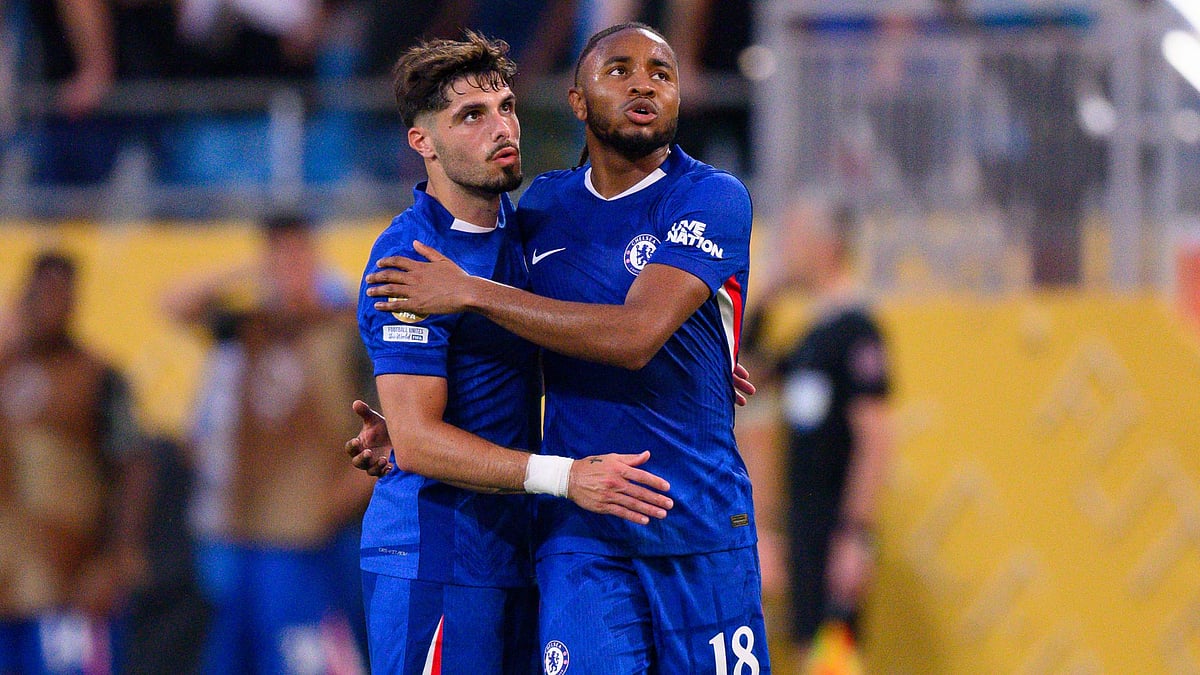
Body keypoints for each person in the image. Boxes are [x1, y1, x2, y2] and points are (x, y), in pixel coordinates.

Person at [363, 22, 769, 673]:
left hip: (693, 529)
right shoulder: (443, 248)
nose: (643, 82)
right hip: (554, 539)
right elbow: (422, 416)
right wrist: (410, 434)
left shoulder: (707, 197)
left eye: (662, 73)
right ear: (577, 101)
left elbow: (622, 334)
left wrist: (697, 357)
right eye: (471, 115)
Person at [162, 212, 374, 674]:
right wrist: (246, 270)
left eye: (297, 255)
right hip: (250, 528)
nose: (287, 268)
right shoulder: (251, 326)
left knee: (311, 655)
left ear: (315, 258)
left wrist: (348, 494)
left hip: (320, 531)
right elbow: (175, 304)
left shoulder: (345, 326)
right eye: (277, 257)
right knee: (236, 657)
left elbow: (389, 426)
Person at [750, 195, 894, 670]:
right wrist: (768, 292)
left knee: (829, 657)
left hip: (835, 530)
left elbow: (875, 440)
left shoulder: (857, 331)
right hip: (803, 526)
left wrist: (856, 537)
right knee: (803, 650)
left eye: (792, 237)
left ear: (824, 246)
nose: (784, 249)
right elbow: (744, 366)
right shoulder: (813, 337)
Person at [0, 251, 153, 674]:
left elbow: (134, 467)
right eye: (40, 292)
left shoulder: (99, 376)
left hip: (71, 581)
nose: (49, 303)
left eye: (60, 293)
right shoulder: (5, 367)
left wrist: (118, 557)